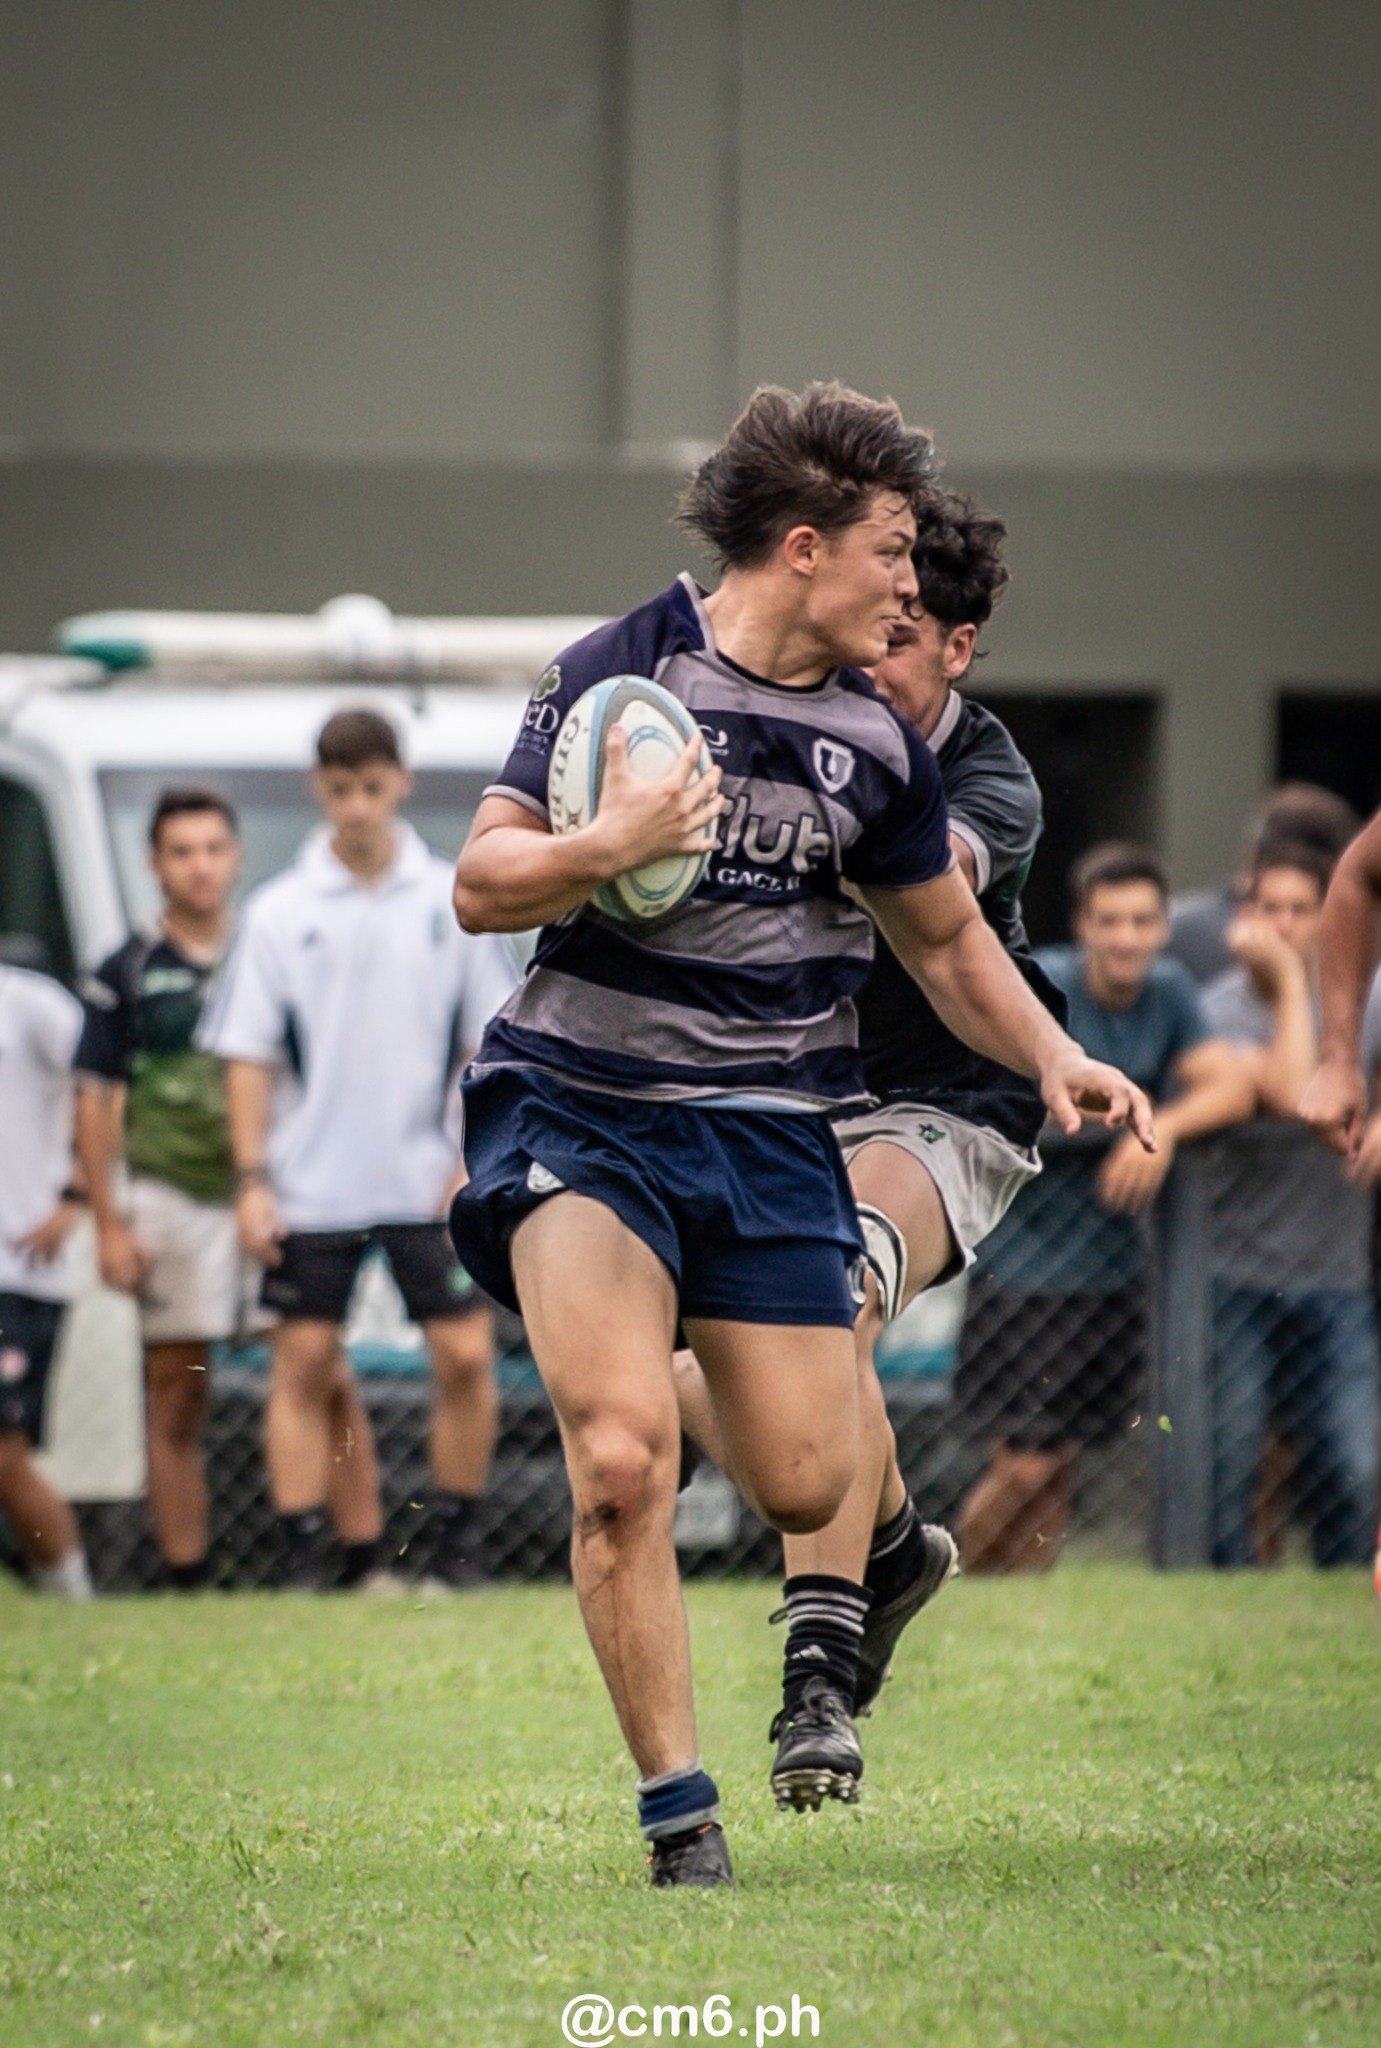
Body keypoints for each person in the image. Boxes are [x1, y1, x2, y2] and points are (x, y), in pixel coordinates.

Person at [448, 381, 1154, 1888]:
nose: (912, 584)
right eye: (893, 552)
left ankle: (885, 1556)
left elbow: (953, 947)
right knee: (625, 1457)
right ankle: (678, 1815)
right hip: (585, 1106)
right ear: (804, 546)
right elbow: (483, 881)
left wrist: (1056, 1056)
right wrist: (605, 849)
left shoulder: (880, 754)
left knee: (797, 1478)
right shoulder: (619, 673)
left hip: (772, 1132)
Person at [671, 491, 1060, 1808]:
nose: (864, 660)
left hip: (947, 1098)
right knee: (684, 1374)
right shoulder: (797, 709)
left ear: (955, 649)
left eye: (897, 640)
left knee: (824, 1299)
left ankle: (818, 1684)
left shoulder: (988, 778)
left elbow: (927, 885)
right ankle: (889, 1545)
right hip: (789, 1098)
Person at [200, 709, 519, 1592]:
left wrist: (470, 1163)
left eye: (371, 787)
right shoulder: (278, 911)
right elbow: (248, 1057)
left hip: (427, 1183)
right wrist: (253, 1180)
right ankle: (308, 1563)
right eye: (340, 789)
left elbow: (485, 1045)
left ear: (399, 783)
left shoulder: (448, 897)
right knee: (301, 1367)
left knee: (463, 1357)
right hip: (310, 1187)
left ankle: (457, 1552)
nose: (356, 806)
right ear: (320, 788)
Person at [955, 843, 1251, 1570]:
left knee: (1059, 1472)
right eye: (1109, 920)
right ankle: (939, 1577)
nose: (1126, 937)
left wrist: (1164, 1128)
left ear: (1160, 927)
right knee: (1021, 1464)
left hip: (1108, 1272)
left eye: (1141, 920)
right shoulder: (1042, 987)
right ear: (1081, 925)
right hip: (1020, 1268)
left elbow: (1230, 1087)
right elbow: (994, 1086)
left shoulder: (1171, 992)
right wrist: (1115, 1114)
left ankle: (1020, 1616)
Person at [74, 788, 248, 1588]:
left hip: (268, 1196)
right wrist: (109, 1223)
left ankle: (333, 1562)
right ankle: (190, 1574)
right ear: (155, 865)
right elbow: (97, 1099)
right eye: (181, 851)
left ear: (235, 856)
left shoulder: (267, 950)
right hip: (172, 1198)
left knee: (320, 1369)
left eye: (212, 847)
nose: (199, 865)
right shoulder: (127, 968)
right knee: (176, 1392)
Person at [1203, 840, 1381, 1570]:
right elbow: (1288, 1089)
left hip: (1336, 1270)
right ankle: (1222, 1596)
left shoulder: (1367, 999)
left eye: (1300, 910)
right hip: (1233, 1273)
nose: (1281, 925)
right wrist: (1285, 983)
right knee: (1231, 1460)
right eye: (1265, 908)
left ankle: (1339, 1580)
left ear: (1331, 915)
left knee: (1350, 1460)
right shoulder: (1213, 1005)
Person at [0, 949, 93, 1599]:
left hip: (15, 1269)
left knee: (3, 1454)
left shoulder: (29, 1000)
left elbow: (107, 1084)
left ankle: (74, 1603)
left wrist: (79, 1196)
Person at [1167, 784, 1359, 985]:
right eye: (1271, 908)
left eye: (1300, 909)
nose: (1285, 924)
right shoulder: (1178, 933)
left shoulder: (1174, 922)